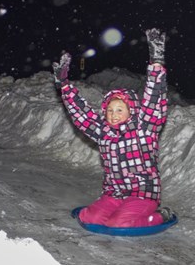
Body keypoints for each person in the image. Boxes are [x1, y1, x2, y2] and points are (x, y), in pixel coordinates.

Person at [52, 28, 173, 227]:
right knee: (88, 218)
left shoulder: (145, 128)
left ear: (131, 110)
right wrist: (63, 85)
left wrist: (157, 62)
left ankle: (161, 216)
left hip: (142, 194)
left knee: (119, 223)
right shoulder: (104, 132)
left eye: (119, 110)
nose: (113, 115)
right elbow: (81, 114)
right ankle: (108, 211)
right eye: (109, 110)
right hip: (114, 194)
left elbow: (154, 99)